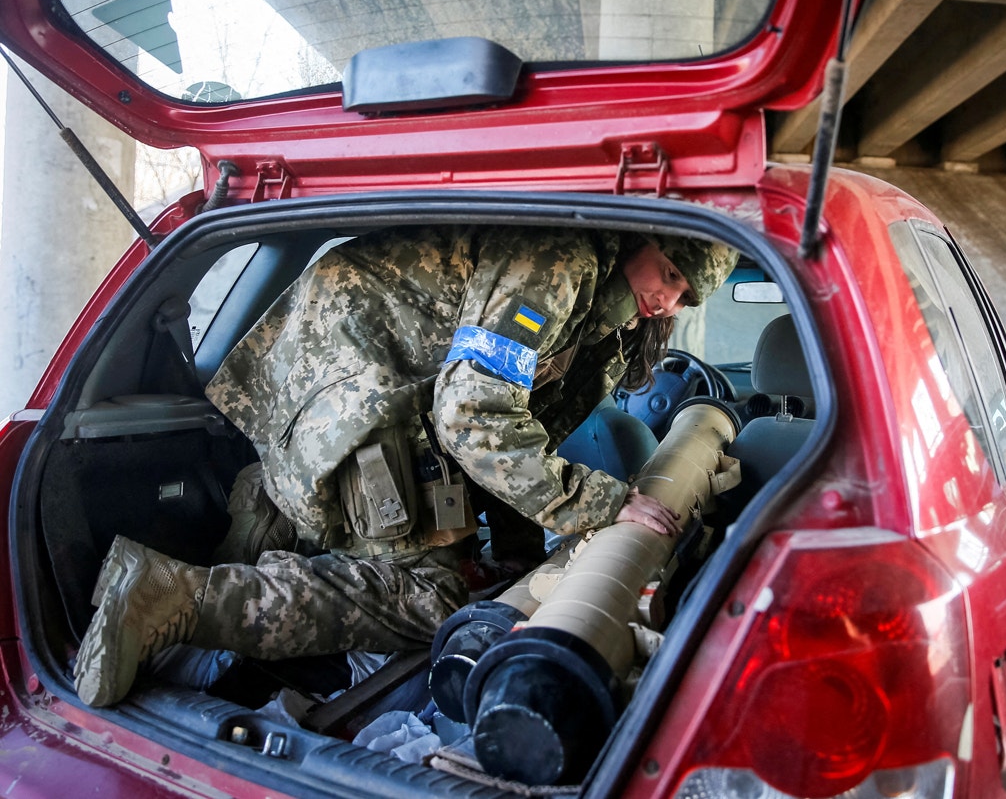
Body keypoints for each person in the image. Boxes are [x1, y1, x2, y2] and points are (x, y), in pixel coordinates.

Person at [72, 224, 738, 707]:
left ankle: (255, 536)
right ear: (637, 239)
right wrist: (598, 503)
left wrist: (516, 551)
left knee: (335, 498)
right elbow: (472, 413)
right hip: (361, 391)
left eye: (686, 295)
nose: (670, 300)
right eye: (671, 274)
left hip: (321, 381)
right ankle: (179, 599)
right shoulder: (562, 263)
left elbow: (521, 424)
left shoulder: (601, 306)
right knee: (433, 598)